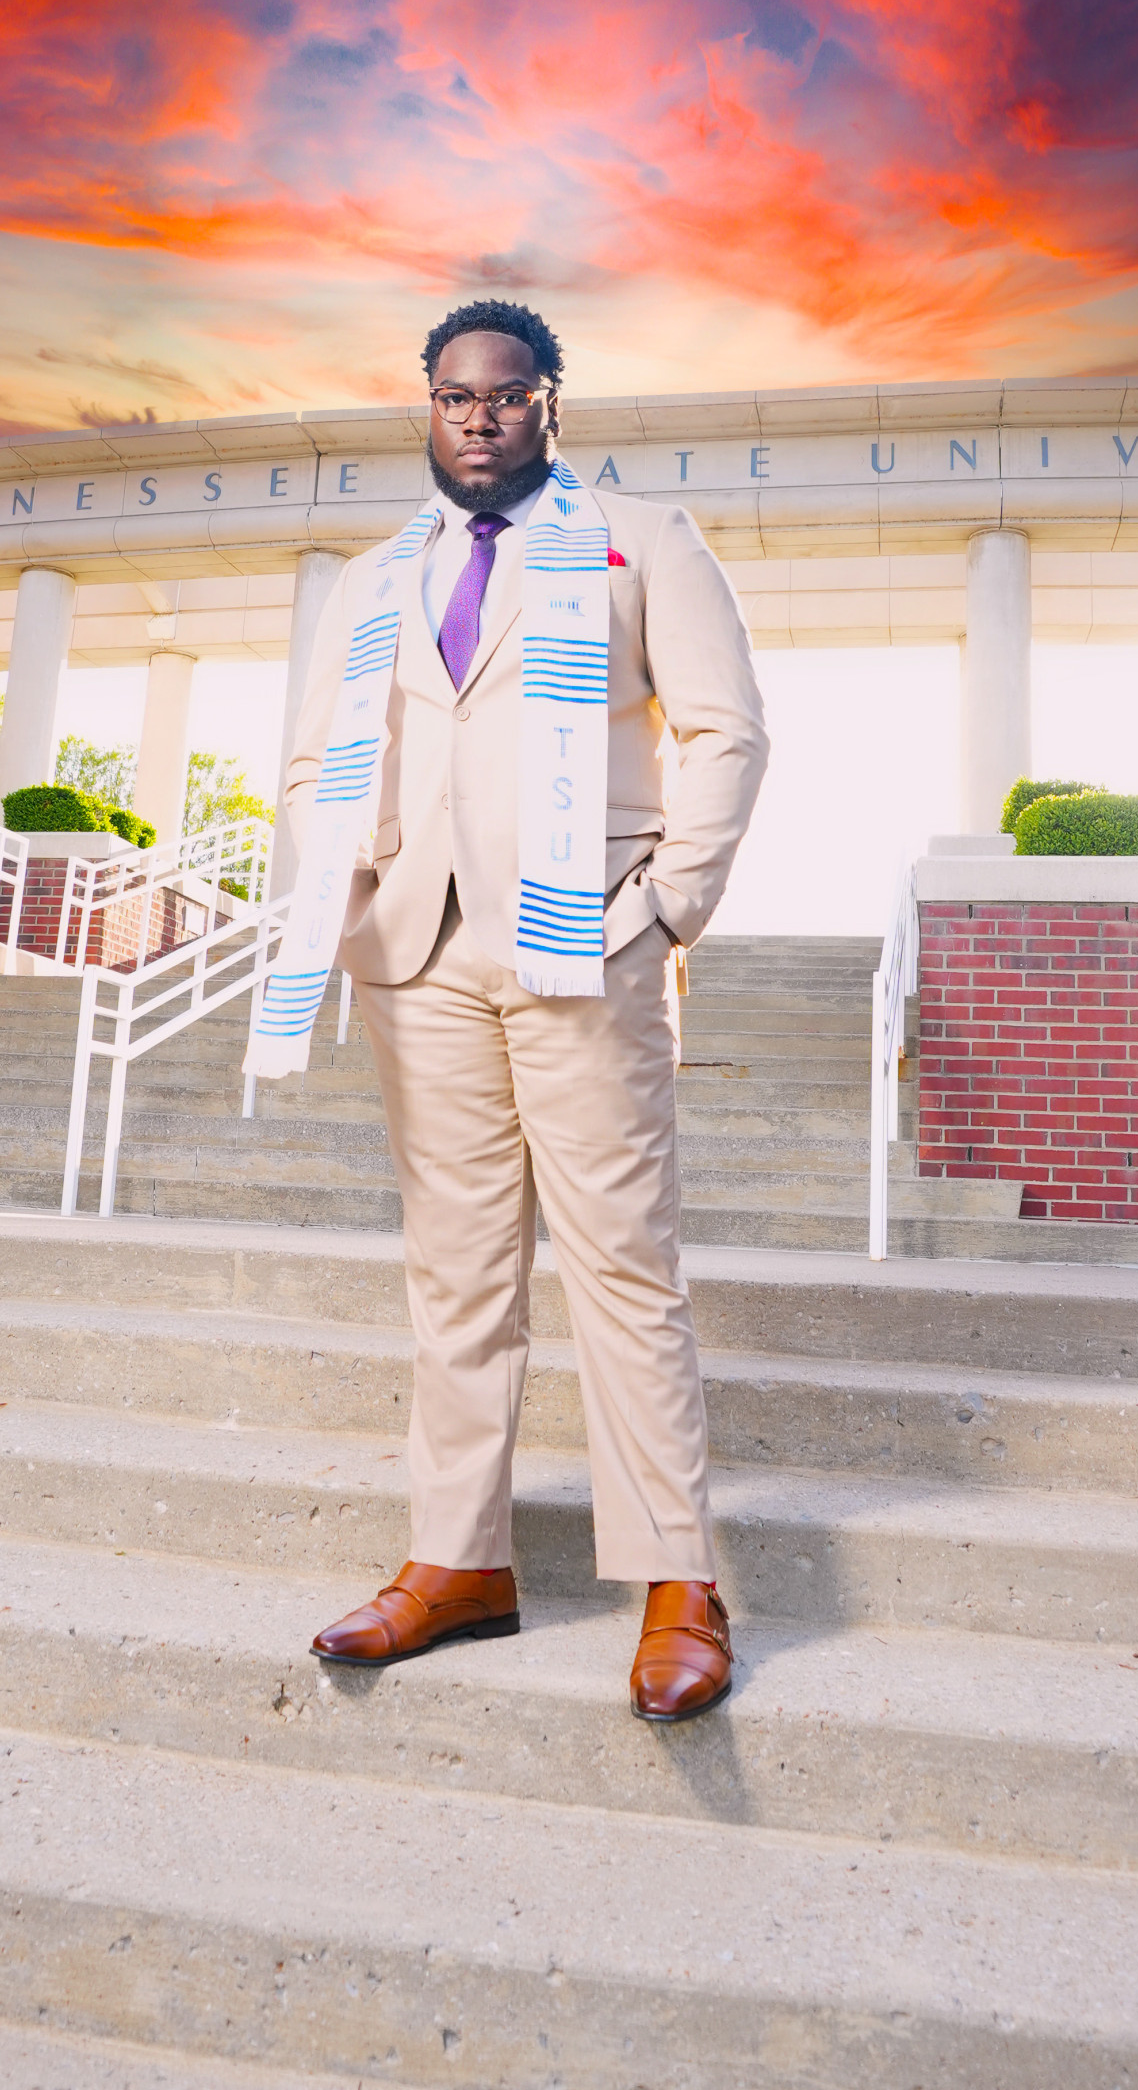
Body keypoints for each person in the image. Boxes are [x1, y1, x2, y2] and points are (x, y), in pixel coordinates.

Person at [274, 299, 768, 1719]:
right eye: (451, 395)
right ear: (425, 408)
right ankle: (460, 1561)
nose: (476, 415)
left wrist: (664, 907)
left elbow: (726, 730)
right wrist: (347, 892)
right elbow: (311, 767)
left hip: (583, 943)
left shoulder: (641, 544)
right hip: (416, 962)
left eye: (504, 393)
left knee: (622, 1264)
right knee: (458, 1272)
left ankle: (682, 1579)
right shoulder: (374, 580)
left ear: (552, 402)